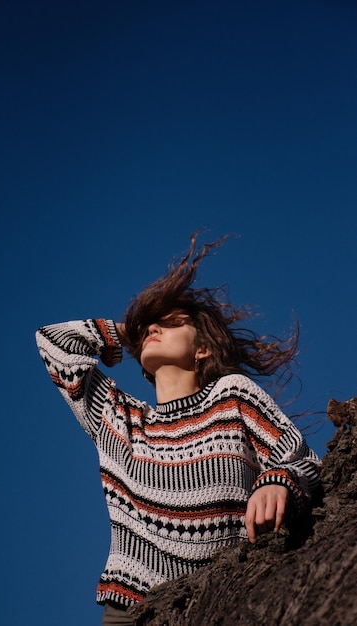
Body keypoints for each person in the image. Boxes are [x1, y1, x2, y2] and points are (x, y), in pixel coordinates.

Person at [36, 233, 321, 626]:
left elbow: (300, 458)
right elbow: (54, 343)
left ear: (202, 349)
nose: (155, 328)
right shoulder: (119, 418)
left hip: (227, 596)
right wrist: (130, 330)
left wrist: (277, 481)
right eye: (151, 326)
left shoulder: (230, 395)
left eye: (172, 324)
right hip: (132, 609)